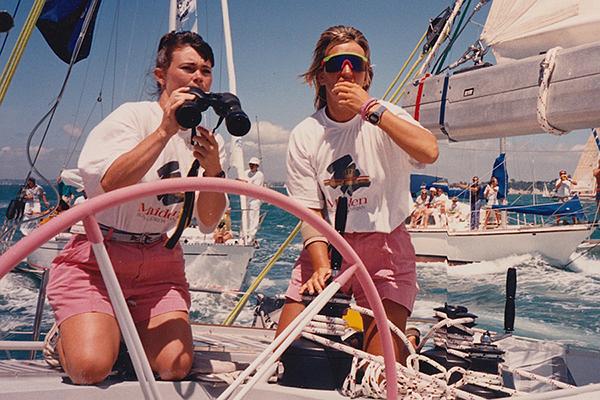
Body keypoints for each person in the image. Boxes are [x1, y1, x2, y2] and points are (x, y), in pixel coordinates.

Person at [45, 31, 227, 385]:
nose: (198, 77)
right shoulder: (132, 117)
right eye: (188, 68)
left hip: (159, 263)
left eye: (206, 71)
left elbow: (207, 222)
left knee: (175, 366)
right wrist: (164, 132)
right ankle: (67, 337)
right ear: (161, 75)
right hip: (98, 259)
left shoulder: (207, 139)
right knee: (90, 369)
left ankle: (122, 335)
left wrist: (214, 170)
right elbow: (110, 183)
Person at [277, 25, 438, 363]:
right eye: (336, 64)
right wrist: (321, 266)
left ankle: (402, 337)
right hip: (329, 247)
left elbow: (428, 151)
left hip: (385, 250)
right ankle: (360, 328)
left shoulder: (386, 117)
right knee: (285, 355)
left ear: (366, 76)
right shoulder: (306, 134)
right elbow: (311, 212)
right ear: (320, 76)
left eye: (356, 64)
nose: (346, 72)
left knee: (379, 371)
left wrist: (372, 111)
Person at [240, 156, 264, 239]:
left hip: (255, 200)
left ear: (257, 166)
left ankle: (251, 236)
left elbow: (255, 187)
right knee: (245, 217)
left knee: (253, 218)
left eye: (253, 165)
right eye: (250, 164)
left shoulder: (259, 175)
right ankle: (243, 235)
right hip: (246, 199)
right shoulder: (246, 173)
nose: (251, 166)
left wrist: (245, 183)